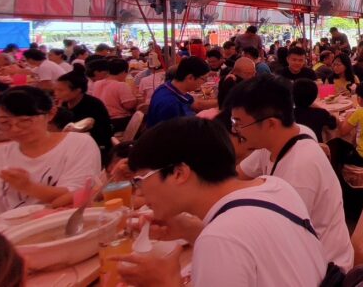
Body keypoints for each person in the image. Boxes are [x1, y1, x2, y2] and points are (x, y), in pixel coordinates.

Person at [118, 117, 330, 286]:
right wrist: (190, 229)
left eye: (140, 180)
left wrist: (164, 282)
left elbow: (229, 241)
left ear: (179, 173)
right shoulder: (274, 186)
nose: (140, 191)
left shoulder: (220, 239)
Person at [227, 76, 354, 271]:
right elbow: (238, 175)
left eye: (239, 123)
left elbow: (281, 241)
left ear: (270, 124)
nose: (236, 131)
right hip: (298, 250)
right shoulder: (281, 138)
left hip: (321, 267)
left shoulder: (299, 170)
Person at [0, 87, 101, 215]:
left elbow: (75, 196)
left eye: (24, 121)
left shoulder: (78, 144)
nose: (15, 129)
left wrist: (28, 187)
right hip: (10, 233)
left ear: (50, 114)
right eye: (5, 122)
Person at [53, 71, 113, 163]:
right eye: (55, 90)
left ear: (78, 90)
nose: (56, 93)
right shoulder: (64, 103)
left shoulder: (93, 105)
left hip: (93, 148)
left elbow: (101, 134)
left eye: (61, 90)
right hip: (70, 144)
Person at [145, 57, 209, 129]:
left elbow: (196, 104)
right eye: (204, 78)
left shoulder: (167, 87)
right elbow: (174, 137)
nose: (205, 82)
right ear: (190, 78)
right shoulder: (171, 104)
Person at [98, 58, 138, 132]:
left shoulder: (96, 83)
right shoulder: (121, 85)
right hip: (117, 121)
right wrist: (135, 98)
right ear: (124, 71)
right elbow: (129, 105)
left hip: (100, 121)